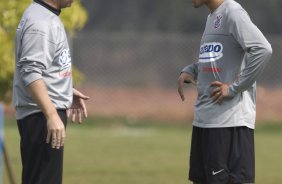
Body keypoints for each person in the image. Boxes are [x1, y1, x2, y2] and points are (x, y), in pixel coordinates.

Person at [177, 0, 272, 183]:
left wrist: (235, 88)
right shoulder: (212, 17)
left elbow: (263, 49)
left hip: (228, 124)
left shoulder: (233, 12)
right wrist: (191, 70)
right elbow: (214, 59)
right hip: (205, 122)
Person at [13, 0, 90, 183]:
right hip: (41, 117)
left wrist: (64, 90)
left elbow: (43, 69)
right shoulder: (40, 22)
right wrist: (51, 114)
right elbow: (30, 72)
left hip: (43, 115)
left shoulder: (44, 16)